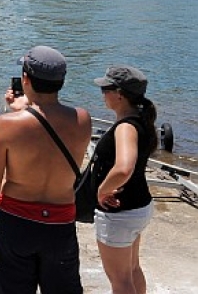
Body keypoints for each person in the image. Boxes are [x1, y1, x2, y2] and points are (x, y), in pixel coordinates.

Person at [0, 45, 91, 294]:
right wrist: (26, 105)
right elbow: (49, 121)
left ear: (26, 79)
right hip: (60, 224)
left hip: (15, 222)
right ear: (61, 81)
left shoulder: (6, 125)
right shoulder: (83, 120)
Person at [92, 66, 157, 294]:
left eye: (105, 89)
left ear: (119, 93)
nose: (102, 94)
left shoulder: (126, 127)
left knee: (120, 281)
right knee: (132, 270)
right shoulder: (141, 121)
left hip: (120, 213)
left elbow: (123, 168)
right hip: (139, 207)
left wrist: (102, 190)